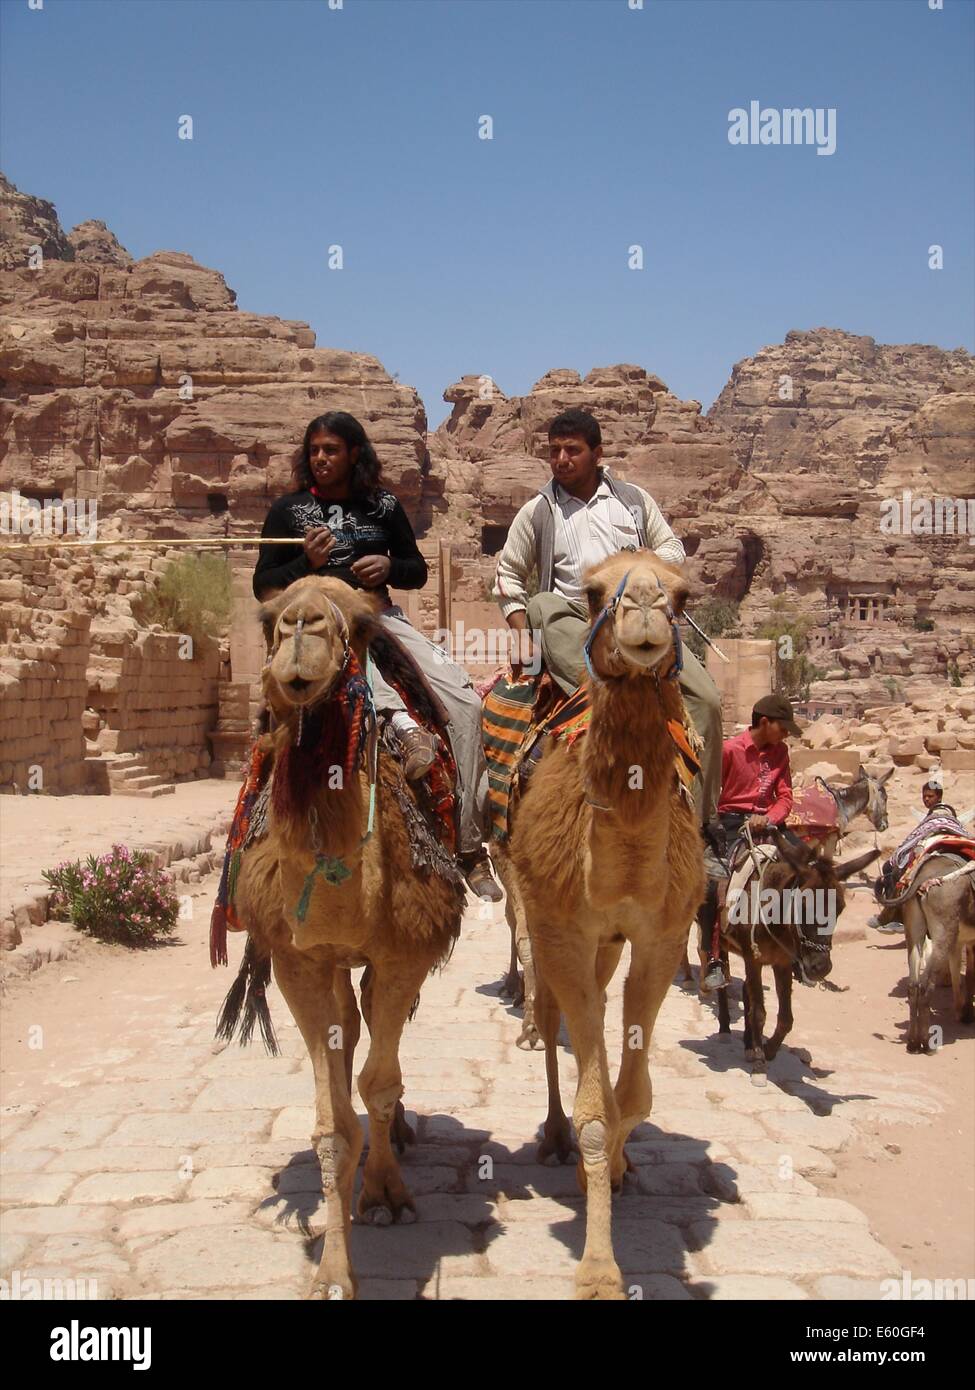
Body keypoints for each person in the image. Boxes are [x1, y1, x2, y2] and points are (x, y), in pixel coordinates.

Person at [253, 410, 501, 901]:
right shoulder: (287, 511)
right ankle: (257, 852)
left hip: (380, 617)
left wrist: (389, 563)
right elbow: (264, 586)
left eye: (331, 450)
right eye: (314, 451)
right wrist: (309, 563)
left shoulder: (383, 506)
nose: (321, 459)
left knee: (467, 707)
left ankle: (471, 848)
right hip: (317, 626)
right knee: (353, 667)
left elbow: (416, 571)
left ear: (353, 455)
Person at [492, 407, 724, 824]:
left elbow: (673, 550)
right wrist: (519, 632)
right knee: (542, 604)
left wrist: (647, 560)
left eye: (572, 450)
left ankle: (702, 824)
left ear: (597, 453)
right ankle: (602, 686)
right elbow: (508, 573)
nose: (561, 459)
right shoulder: (539, 511)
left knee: (707, 701)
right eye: (554, 451)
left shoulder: (633, 501)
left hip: (636, 615)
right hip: (576, 616)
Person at [698, 694, 801, 989]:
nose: (785, 735)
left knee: (809, 869)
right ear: (765, 723)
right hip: (730, 823)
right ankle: (715, 958)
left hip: (767, 823)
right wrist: (712, 823)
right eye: (783, 728)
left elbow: (785, 797)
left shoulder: (780, 753)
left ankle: (802, 948)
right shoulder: (729, 751)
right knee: (711, 884)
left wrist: (769, 817)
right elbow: (709, 791)